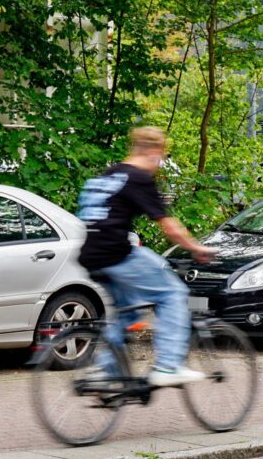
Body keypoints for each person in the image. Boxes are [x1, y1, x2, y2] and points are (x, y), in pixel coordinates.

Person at [77, 127, 214, 386]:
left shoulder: (110, 174)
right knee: (172, 293)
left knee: (127, 315)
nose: (159, 165)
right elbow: (170, 226)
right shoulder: (137, 177)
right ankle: (168, 366)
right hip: (116, 254)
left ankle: (104, 374)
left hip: (91, 256)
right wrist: (197, 248)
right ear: (152, 152)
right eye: (160, 158)